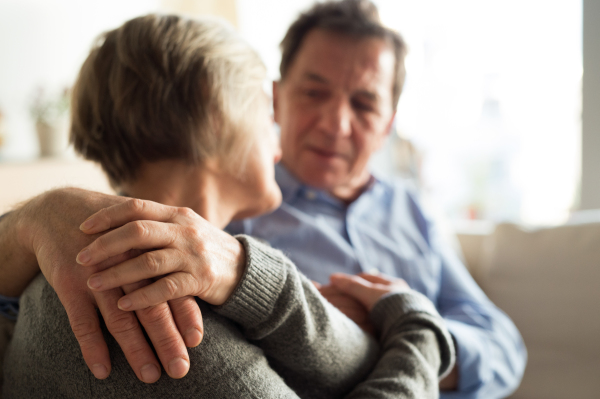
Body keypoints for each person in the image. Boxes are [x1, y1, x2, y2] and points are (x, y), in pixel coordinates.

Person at [1, 0, 526, 397]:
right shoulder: (183, 282)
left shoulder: (413, 211)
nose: (335, 124)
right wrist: (411, 331)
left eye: (364, 104)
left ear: (388, 123)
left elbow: (502, 343)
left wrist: (382, 339)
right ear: (224, 111)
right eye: (309, 93)